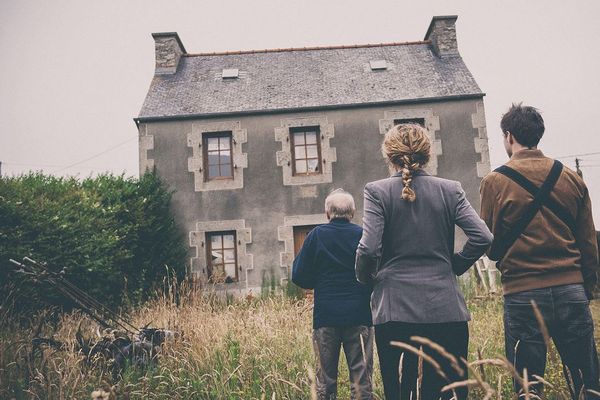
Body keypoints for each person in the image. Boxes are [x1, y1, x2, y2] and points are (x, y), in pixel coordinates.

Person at [356, 123, 493, 400]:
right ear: (427, 153)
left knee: (399, 393)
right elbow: (483, 236)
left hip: (394, 309)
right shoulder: (450, 189)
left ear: (389, 155)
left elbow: (369, 249)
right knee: (449, 391)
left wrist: (367, 279)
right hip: (445, 307)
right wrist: (455, 265)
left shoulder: (377, 191)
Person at [480, 103, 600, 398]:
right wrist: (584, 286)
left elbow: (489, 242)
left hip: (522, 292)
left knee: (527, 385)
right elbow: (588, 244)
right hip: (570, 288)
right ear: (538, 135)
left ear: (508, 136)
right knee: (587, 382)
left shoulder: (494, 182)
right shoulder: (571, 178)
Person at [292, 189, 374, 400]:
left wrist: (318, 283)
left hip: (326, 316)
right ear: (353, 213)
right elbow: (376, 272)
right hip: (359, 314)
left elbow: (298, 275)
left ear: (327, 213)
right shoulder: (362, 235)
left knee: (325, 381)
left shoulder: (316, 236)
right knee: (361, 379)